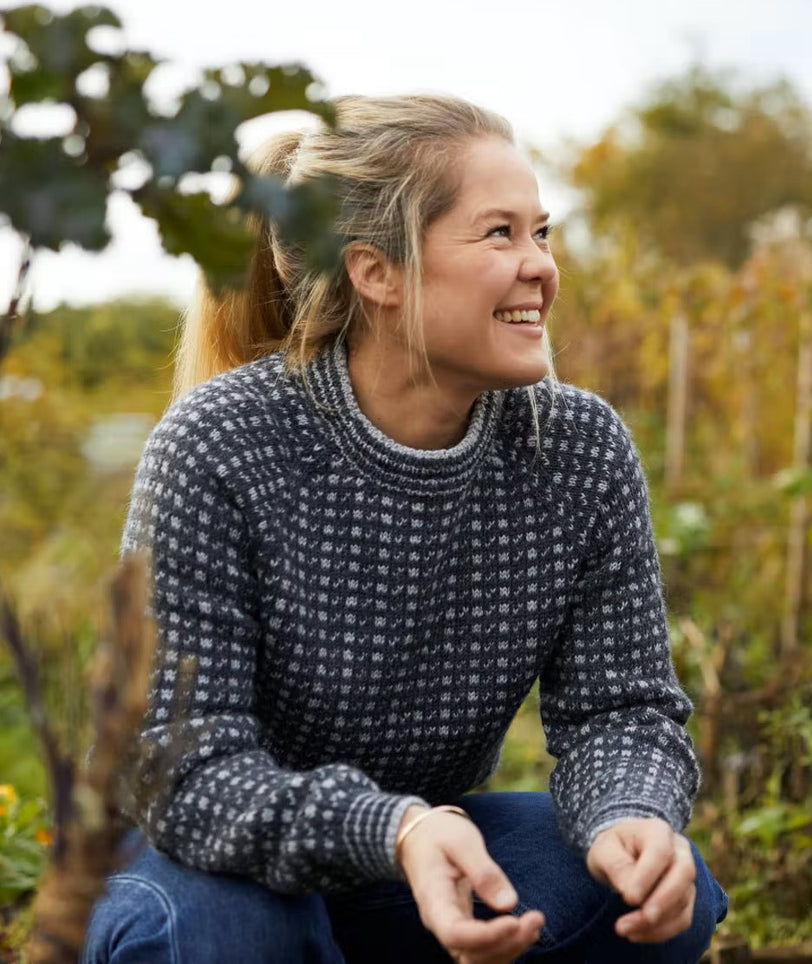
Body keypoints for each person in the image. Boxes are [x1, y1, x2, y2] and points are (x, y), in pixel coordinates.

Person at [83, 94, 728, 964]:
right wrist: (391, 828)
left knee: (654, 897)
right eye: (499, 233)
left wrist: (630, 813)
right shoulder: (220, 444)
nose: (539, 265)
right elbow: (172, 763)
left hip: (414, 852)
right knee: (240, 934)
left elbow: (621, 709)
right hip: (198, 860)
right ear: (375, 273)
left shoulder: (575, 448)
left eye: (542, 232)